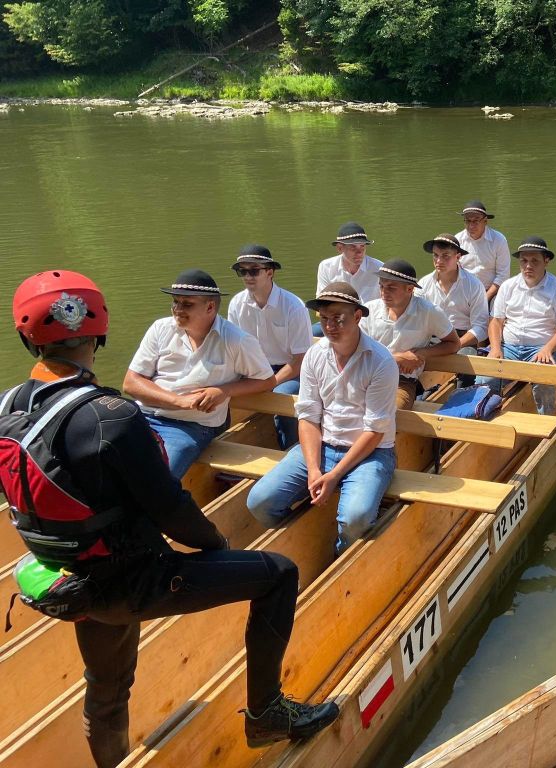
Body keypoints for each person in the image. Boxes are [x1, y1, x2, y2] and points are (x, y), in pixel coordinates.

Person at [0, 270, 339, 768]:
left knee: (106, 689)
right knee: (278, 574)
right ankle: (266, 713)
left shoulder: (9, 407)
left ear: (28, 339)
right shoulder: (112, 415)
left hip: (68, 582)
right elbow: (171, 509)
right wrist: (217, 546)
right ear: (98, 335)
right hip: (135, 582)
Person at [247, 282, 398, 556]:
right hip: (324, 446)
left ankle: (342, 552)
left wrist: (334, 475)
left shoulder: (381, 361)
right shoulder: (315, 355)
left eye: (338, 318)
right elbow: (308, 417)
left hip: (371, 453)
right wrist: (315, 470)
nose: (329, 326)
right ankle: (305, 542)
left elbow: (375, 431)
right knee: (260, 501)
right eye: (324, 318)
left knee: (355, 518)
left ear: (357, 316)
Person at [122, 269, 275, 479]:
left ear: (210, 307)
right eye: (175, 302)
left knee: (157, 479)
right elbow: (131, 383)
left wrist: (224, 391)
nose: (177, 309)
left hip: (191, 426)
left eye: (187, 304)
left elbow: (267, 380)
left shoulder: (237, 341)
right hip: (143, 415)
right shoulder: (160, 328)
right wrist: (178, 401)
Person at [227, 244, 314, 448]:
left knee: (282, 395)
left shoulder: (294, 306)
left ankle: (291, 450)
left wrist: (271, 382)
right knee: (216, 389)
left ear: (270, 272)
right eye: (242, 271)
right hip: (255, 370)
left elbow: (301, 359)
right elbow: (233, 351)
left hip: (292, 371)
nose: (248, 277)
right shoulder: (236, 304)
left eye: (254, 271)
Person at [478, 236, 556, 416]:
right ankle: (485, 417)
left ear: (546, 261)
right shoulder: (508, 286)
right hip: (508, 348)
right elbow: (496, 321)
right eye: (524, 261)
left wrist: (548, 349)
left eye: (534, 261)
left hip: (541, 349)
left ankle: (546, 420)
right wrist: (496, 348)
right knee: (485, 377)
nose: (528, 266)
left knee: (544, 377)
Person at [361, 259, 460, 409]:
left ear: (409, 289)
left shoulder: (429, 312)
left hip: (402, 382)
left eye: (391, 288)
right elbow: (357, 351)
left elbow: (454, 343)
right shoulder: (369, 310)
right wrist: (397, 358)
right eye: (381, 286)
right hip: (366, 377)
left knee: (390, 411)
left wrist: (422, 353)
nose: (383, 292)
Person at [417, 233, 490, 386]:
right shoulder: (424, 285)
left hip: (463, 338)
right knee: (414, 365)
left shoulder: (474, 285)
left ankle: (461, 394)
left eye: (445, 256)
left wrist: (456, 344)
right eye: (435, 255)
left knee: (466, 369)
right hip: (433, 337)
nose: (439, 261)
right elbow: (417, 320)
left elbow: (480, 327)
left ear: (458, 257)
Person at [455, 200, 511, 303]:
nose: (471, 226)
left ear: (485, 221)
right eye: (468, 221)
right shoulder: (457, 240)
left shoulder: (499, 240)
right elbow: (453, 271)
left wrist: (485, 298)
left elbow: (503, 275)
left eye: (476, 221)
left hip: (492, 293)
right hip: (464, 292)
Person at [316, 221, 382, 301]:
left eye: (362, 246)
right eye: (353, 247)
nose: (359, 252)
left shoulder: (380, 269)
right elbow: (322, 301)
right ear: (340, 248)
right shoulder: (326, 267)